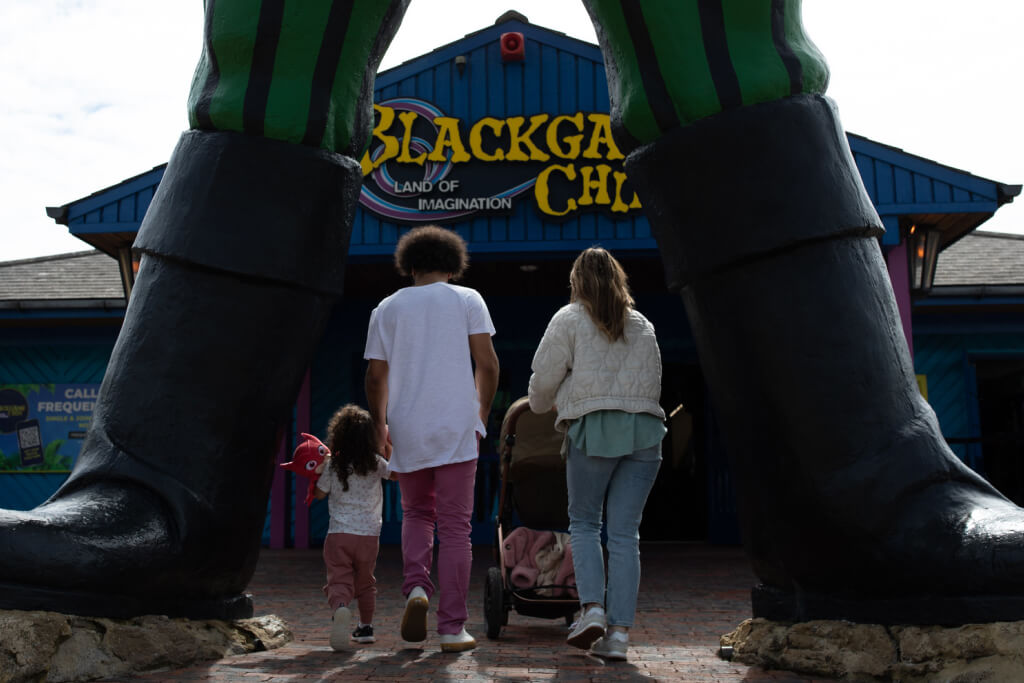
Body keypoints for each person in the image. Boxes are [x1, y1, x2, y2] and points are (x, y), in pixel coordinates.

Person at [364, 225, 500, 652]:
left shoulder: (387, 307)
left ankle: (417, 590)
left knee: (417, 515)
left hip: (407, 428)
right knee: (456, 529)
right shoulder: (467, 299)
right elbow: (489, 365)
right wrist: (480, 415)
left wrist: (379, 426)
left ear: (411, 265)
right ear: (452, 265)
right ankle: (451, 628)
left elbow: (374, 377)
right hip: (457, 427)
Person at [528, 247, 665, 661]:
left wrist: (542, 402)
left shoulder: (568, 318)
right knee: (626, 535)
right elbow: (654, 381)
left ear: (576, 282)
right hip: (645, 433)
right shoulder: (643, 324)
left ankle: (592, 610)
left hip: (594, 430)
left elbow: (543, 380)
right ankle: (619, 635)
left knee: (585, 523)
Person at [313, 404, 393, 651]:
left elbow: (318, 494)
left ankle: (341, 609)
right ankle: (366, 627)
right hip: (369, 534)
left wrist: (317, 471)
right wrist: (389, 447)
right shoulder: (376, 462)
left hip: (339, 534)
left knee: (339, 579)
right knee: (366, 582)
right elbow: (398, 475)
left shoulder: (332, 465)